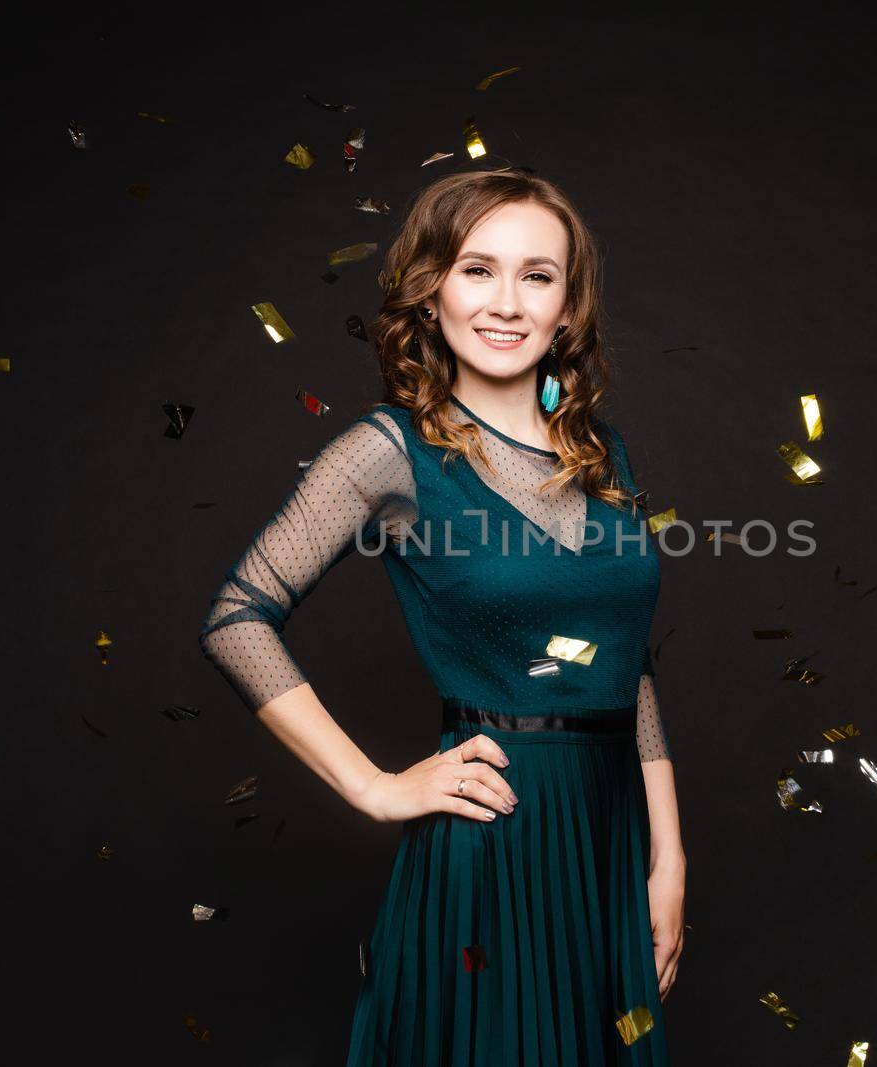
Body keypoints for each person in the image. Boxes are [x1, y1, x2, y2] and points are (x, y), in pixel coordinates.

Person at [199, 169, 686, 1064]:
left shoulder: (601, 450)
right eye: (477, 270)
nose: (507, 302)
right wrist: (376, 787)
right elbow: (237, 617)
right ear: (430, 293)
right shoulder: (390, 451)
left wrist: (670, 856)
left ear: (569, 305)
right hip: (494, 838)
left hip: (607, 845)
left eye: (537, 275)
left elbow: (627, 658)